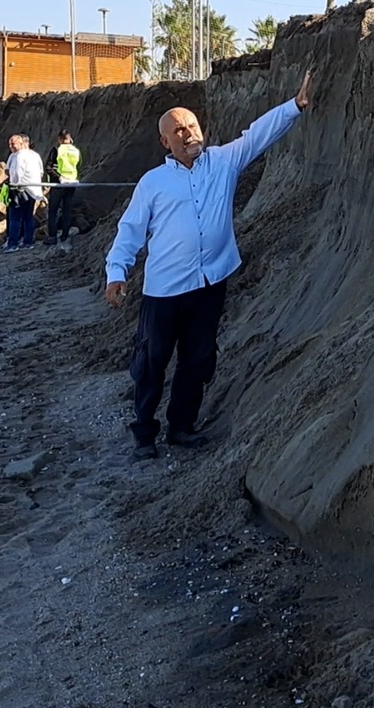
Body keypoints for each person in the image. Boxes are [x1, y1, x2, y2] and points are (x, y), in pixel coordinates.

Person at [105, 70, 314, 461]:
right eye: (178, 130)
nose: (187, 132)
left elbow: (257, 136)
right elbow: (130, 230)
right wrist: (117, 273)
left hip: (210, 283)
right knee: (152, 362)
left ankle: (181, 426)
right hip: (164, 291)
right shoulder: (153, 183)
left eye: (192, 125)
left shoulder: (222, 163)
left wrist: (295, 106)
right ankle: (144, 433)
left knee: (198, 359)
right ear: (165, 141)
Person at [3, 133, 43, 251]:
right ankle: (28, 242)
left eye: (13, 144)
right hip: (33, 189)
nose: (11, 146)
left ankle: (12, 244)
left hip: (20, 189)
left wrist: (14, 186)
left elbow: (16, 174)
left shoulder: (18, 156)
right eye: (10, 144)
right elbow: (41, 172)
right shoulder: (35, 155)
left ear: (21, 143)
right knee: (28, 217)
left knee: (15, 217)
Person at [43, 130, 82, 245]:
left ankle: (52, 236)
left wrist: (59, 177)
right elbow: (78, 166)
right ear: (70, 139)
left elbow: (49, 168)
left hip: (58, 184)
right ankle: (65, 235)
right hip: (72, 183)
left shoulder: (57, 150)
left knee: (53, 210)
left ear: (60, 139)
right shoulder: (76, 151)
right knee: (67, 210)